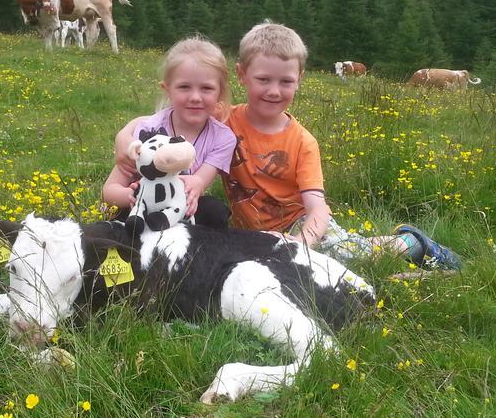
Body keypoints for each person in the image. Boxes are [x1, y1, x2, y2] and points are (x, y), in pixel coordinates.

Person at [116, 23, 462, 270]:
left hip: (301, 228)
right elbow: (157, 119)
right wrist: (124, 140)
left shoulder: (302, 142)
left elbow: (318, 208)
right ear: (241, 76)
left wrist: (304, 243)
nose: (273, 90)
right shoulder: (224, 119)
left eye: (286, 81)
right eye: (263, 79)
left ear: (300, 80)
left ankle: (411, 242)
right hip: (251, 231)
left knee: (347, 257)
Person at [103, 37, 237, 228]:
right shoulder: (148, 130)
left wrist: (195, 184)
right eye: (184, 87)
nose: (195, 97)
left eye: (206, 88)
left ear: (220, 92)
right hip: (139, 212)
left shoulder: (223, 138)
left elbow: (198, 182)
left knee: (214, 210)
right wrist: (131, 196)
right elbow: (109, 190)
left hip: (182, 211)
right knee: (115, 228)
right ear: (167, 89)